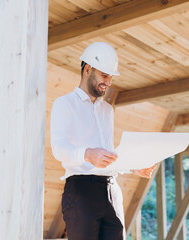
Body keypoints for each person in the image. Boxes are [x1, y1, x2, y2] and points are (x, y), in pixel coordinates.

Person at [50, 42, 156, 240]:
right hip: (81, 191)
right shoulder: (64, 104)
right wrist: (88, 154)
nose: (108, 82)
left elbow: (107, 156)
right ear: (87, 69)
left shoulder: (107, 111)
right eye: (104, 76)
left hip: (111, 190)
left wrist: (133, 168)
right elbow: (58, 148)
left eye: (111, 78)